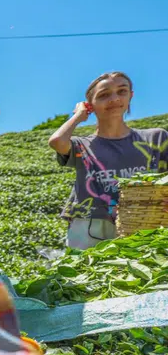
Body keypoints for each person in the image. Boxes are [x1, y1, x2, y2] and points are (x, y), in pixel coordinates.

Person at [48, 71, 168, 250]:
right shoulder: (82, 145)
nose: (114, 99)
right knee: (85, 274)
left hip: (144, 219)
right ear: (90, 106)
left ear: (130, 96)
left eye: (122, 91)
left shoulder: (156, 139)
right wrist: (79, 116)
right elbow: (57, 142)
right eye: (103, 95)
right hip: (91, 223)